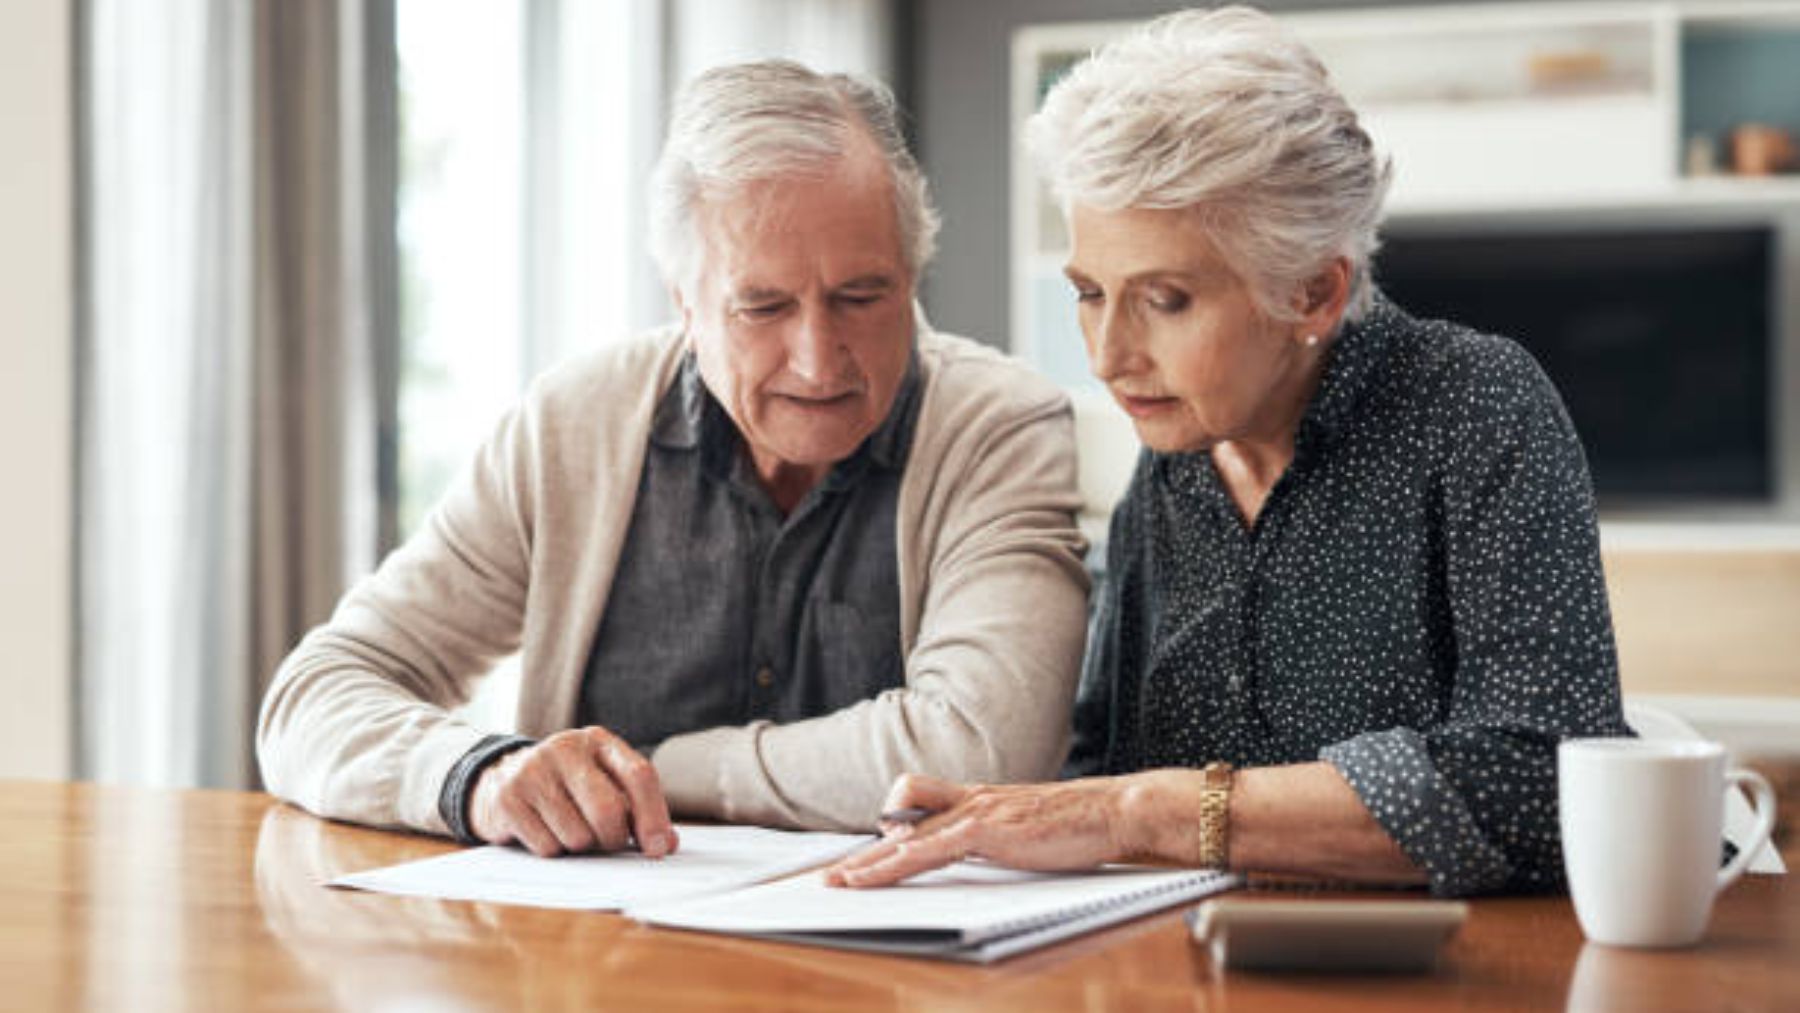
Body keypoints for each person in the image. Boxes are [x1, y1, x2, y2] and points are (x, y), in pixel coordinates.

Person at [827, 7, 1629, 897]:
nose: (1107, 355)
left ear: (1315, 292)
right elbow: (1108, 763)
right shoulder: (1169, 464)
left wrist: (1143, 813)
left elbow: (1542, 781)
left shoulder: (1477, 407)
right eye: (1090, 292)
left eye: (1165, 300)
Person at [257, 60, 1090, 858]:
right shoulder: (572, 427)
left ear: (911, 276)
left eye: (861, 296)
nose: (818, 357)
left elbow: (984, 749)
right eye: (763, 306)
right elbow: (315, 695)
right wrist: (481, 775)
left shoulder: (999, 427)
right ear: (684, 304)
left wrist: (665, 767)